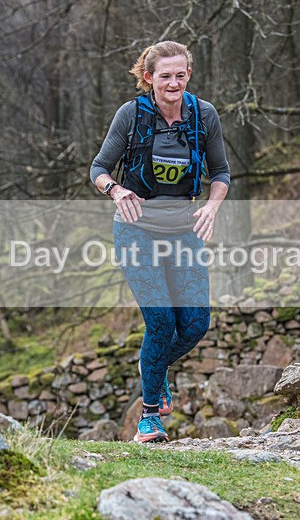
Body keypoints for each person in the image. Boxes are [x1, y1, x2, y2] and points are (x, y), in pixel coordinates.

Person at [90, 41, 230, 443]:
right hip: (135, 230)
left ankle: (152, 367)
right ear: (149, 78)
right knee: (161, 320)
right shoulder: (131, 115)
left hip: (184, 230)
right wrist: (116, 191)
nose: (174, 82)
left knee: (195, 324)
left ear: (189, 74)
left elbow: (221, 172)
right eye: (165, 75)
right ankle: (149, 417)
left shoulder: (204, 116)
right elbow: (99, 168)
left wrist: (212, 207)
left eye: (180, 74)